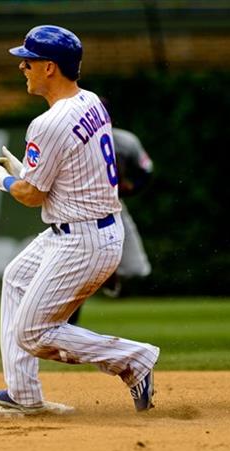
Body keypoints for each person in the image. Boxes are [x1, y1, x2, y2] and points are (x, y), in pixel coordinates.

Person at [0, 25, 160, 413]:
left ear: (50, 67)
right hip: (88, 230)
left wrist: (3, 178)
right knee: (15, 278)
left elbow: (31, 195)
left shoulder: (47, 123)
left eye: (28, 61)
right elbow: (68, 169)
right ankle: (24, 396)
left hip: (81, 240)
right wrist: (22, 170)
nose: (22, 68)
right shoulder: (91, 101)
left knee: (32, 333)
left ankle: (134, 359)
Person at [68, 127, 153, 324]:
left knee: (136, 268)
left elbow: (146, 170)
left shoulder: (124, 141)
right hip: (80, 210)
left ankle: (104, 274)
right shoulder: (73, 141)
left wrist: (131, 188)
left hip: (113, 206)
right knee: (77, 270)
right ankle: (70, 316)